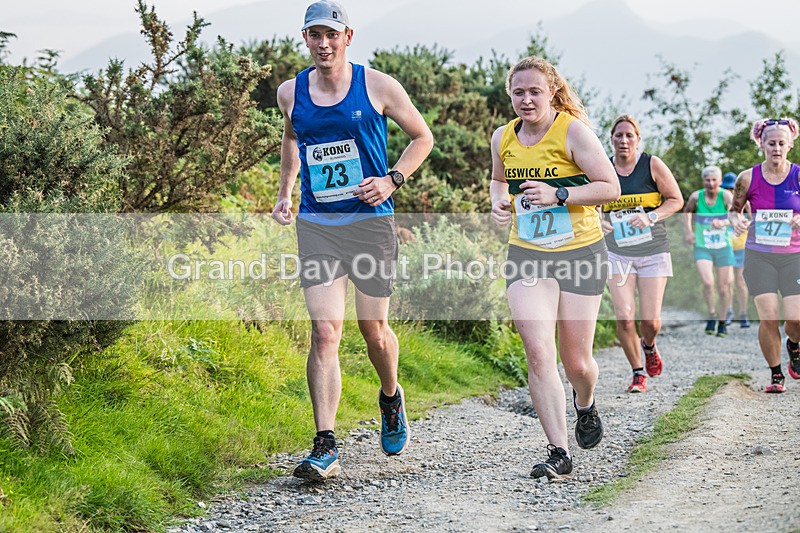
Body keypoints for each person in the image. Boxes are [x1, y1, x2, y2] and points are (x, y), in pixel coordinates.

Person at [271, 0, 433, 480]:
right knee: (325, 332)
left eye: (331, 35)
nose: (323, 44)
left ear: (348, 37)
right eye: (315, 35)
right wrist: (284, 193)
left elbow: (422, 137)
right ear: (305, 38)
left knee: (373, 331)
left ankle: (390, 396)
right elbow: (292, 139)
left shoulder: (378, 85)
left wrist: (391, 180)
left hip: (369, 223)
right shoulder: (290, 92)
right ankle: (325, 444)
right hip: (317, 224)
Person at [490, 56, 620, 479]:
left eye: (535, 92)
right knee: (538, 351)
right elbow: (498, 180)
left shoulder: (573, 131)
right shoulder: (502, 137)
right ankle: (559, 452)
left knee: (576, 363)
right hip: (528, 253)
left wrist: (558, 194)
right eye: (518, 92)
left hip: (580, 252)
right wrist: (498, 200)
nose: (526, 100)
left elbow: (610, 187)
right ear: (510, 95)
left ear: (552, 93)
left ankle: (586, 402)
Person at [599, 115, 683, 393]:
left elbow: (676, 200)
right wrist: (598, 221)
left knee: (650, 321)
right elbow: (591, 206)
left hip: (653, 251)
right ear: (611, 139)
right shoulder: (603, 168)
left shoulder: (651, 164)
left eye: (629, 135)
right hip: (617, 253)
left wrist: (651, 217)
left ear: (637, 139)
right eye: (618, 135)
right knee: (624, 317)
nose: (623, 140)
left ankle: (649, 345)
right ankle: (637, 372)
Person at [729, 118, 800, 393]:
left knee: (795, 320)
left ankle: (794, 344)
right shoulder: (747, 178)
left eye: (782, 143)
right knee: (768, 315)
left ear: (790, 145)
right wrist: (736, 221)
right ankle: (776, 374)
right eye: (771, 143)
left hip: (794, 255)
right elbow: (734, 210)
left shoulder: (797, 176)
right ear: (762, 144)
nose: (776, 148)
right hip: (759, 255)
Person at [682, 165, 735, 337]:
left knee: (724, 287)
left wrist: (724, 222)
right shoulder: (696, 197)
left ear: (720, 181)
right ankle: (711, 314)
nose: (711, 184)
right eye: (707, 180)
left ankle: (722, 321)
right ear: (703, 181)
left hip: (723, 247)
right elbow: (686, 212)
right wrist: (689, 232)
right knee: (708, 282)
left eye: (714, 180)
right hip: (702, 246)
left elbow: (737, 216)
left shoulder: (726, 196)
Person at [722, 171, 751, 328]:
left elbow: (753, 219)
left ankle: (743, 313)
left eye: (732, 188)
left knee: (740, 282)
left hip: (741, 246)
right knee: (727, 282)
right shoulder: (721, 202)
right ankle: (728, 312)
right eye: (726, 188)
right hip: (725, 246)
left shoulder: (746, 202)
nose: (730, 191)